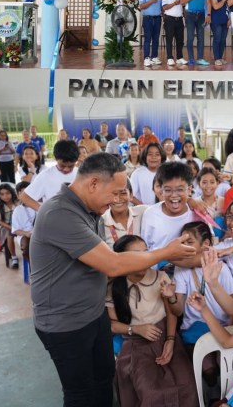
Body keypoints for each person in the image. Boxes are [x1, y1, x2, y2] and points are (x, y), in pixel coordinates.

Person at [30, 153, 194, 406]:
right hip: (65, 324)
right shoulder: (59, 213)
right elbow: (113, 264)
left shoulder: (90, 210)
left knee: (104, 378)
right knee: (80, 393)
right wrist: (166, 252)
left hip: (93, 315)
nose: (118, 200)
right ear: (94, 183)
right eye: (115, 192)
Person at [106, 235, 198, 406]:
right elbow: (112, 324)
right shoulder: (114, 286)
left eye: (145, 253)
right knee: (150, 392)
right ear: (122, 258)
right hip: (135, 342)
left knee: (187, 386)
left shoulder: (160, 277)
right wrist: (136, 329)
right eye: (136, 254)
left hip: (165, 336)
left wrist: (170, 341)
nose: (144, 259)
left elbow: (174, 313)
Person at [138, 161, 203, 252]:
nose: (174, 195)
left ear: (189, 189)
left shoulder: (198, 214)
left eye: (180, 189)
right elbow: (145, 250)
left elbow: (206, 247)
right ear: (161, 190)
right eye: (168, 190)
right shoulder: (150, 214)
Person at [22, 140, 80, 211]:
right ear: (56, 158)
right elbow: (25, 197)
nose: (66, 169)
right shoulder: (46, 175)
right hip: (54, 219)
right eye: (62, 166)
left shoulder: (81, 173)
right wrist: (45, 211)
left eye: (71, 166)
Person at [180, 0, 210, 66]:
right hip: (190, 15)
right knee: (190, 38)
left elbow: (208, 3)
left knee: (201, 38)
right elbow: (182, 2)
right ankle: (191, 58)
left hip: (201, 15)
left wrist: (208, 15)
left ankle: (200, 58)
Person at [160, 0, 186, 68]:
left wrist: (184, 19)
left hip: (179, 20)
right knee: (169, 39)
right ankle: (169, 58)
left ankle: (179, 57)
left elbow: (183, 8)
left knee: (180, 41)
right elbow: (164, 7)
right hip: (169, 20)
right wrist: (175, 3)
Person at [139, 0, 163, 67]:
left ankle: (154, 57)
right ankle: (146, 58)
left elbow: (162, 7)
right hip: (147, 19)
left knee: (156, 39)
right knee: (147, 39)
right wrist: (151, 1)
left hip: (157, 18)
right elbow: (141, 6)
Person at [207, 0, 230, 66]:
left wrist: (229, 19)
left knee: (223, 40)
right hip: (216, 22)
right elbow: (216, 7)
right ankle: (216, 58)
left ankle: (220, 57)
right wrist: (224, 0)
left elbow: (229, 9)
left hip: (225, 22)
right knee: (217, 39)